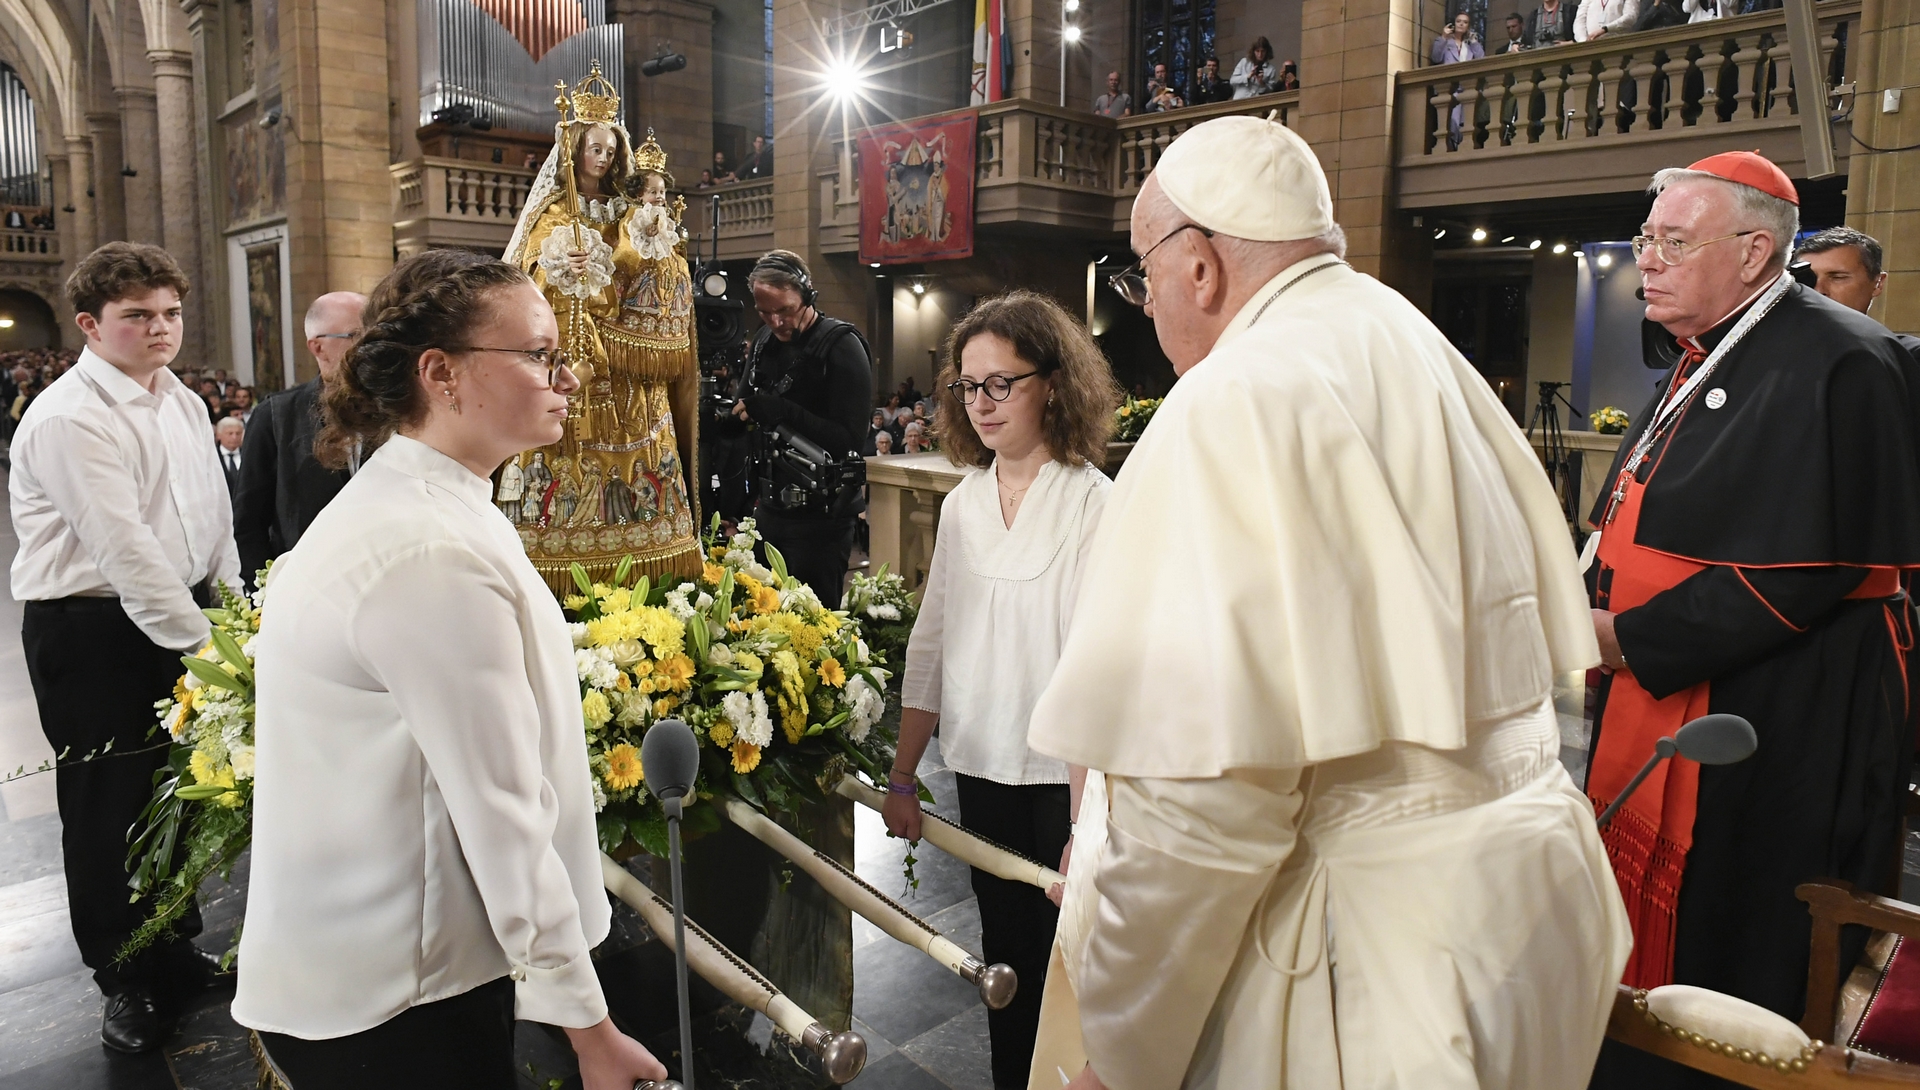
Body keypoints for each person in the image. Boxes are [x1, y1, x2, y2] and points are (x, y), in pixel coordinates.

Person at [1025, 114, 1628, 1090]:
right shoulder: (1415, 341)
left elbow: (1203, 805)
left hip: (1376, 960)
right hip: (1528, 915)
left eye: (1141, 278)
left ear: (1201, 268)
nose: (1146, 307)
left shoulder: (1232, 398)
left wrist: (1124, 1054)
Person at [232, 248, 669, 1090]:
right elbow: (501, 811)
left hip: (381, 963)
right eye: (540, 354)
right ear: (442, 373)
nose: (567, 375)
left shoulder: (426, 498)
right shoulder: (426, 549)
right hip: (398, 998)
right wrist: (590, 1029)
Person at [1582, 153, 1920, 1089]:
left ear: (1753, 250)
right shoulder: (1708, 350)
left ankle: (1719, 1065)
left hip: (1784, 699)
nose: (1647, 259)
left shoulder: (1841, 357)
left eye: (1673, 242)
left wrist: (1627, 639)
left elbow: (1816, 568)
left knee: (1741, 914)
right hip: (1679, 675)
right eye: (1646, 239)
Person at [886, 291, 1121, 1090]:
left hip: (1064, 780)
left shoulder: (1093, 503)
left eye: (1001, 384)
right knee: (1005, 966)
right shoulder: (961, 507)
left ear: (1052, 384)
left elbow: (1097, 674)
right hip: (983, 768)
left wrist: (1088, 826)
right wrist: (903, 773)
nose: (980, 404)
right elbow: (932, 644)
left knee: (1074, 972)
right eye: (966, 385)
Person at [10, 241, 240, 1053]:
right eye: (138, 316)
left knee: (176, 794)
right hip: (92, 629)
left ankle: (173, 951)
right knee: (108, 808)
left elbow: (209, 508)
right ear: (89, 325)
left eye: (170, 313)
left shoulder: (176, 397)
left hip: (179, 610)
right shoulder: (71, 415)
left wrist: (231, 604)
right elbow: (124, 550)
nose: (160, 329)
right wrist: (211, 650)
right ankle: (125, 978)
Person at [502, 72, 703, 587]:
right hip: (577, 365)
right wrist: (562, 266)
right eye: (595, 148)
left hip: (630, 370)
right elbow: (528, 280)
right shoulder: (552, 213)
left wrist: (651, 249)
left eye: (611, 151)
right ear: (574, 149)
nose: (604, 159)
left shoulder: (626, 211)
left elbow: (640, 264)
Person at [727, 249, 874, 601]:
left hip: (822, 518)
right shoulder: (764, 341)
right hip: (770, 510)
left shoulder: (842, 346)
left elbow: (849, 439)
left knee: (814, 624)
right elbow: (743, 409)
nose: (776, 321)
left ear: (808, 298)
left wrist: (782, 411)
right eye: (765, 312)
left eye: (785, 311)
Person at [234, 291, 362, 586]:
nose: (371, 345)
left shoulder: (396, 411)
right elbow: (249, 521)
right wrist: (264, 594)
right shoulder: (277, 416)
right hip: (302, 586)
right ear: (318, 346)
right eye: (356, 335)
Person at [216, 417, 245, 507]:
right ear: (219, 435)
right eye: (230, 433)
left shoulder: (248, 454)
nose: (234, 437)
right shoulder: (212, 457)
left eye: (238, 433)